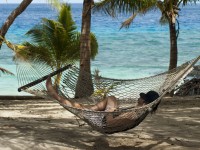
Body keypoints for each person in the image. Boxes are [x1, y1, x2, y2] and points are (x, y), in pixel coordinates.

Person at [46, 77, 160, 113]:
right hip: (107, 115)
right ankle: (54, 94)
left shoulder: (137, 112)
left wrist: (112, 111)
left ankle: (54, 94)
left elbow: (111, 122)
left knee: (84, 107)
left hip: (106, 119)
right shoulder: (139, 111)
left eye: (142, 97)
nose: (139, 98)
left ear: (144, 102)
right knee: (82, 107)